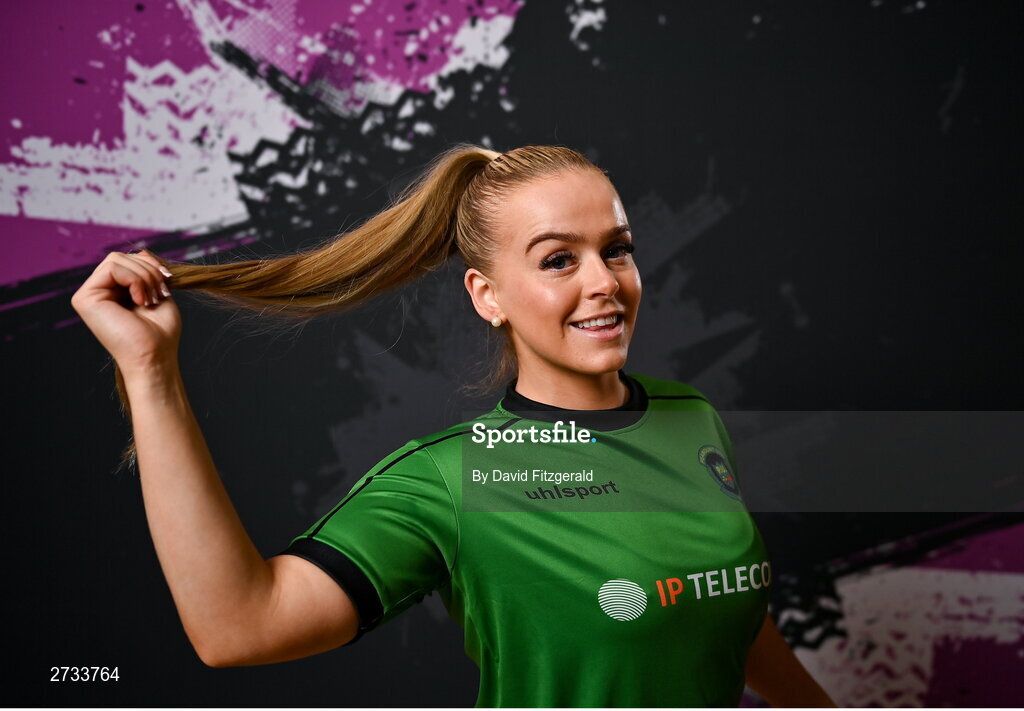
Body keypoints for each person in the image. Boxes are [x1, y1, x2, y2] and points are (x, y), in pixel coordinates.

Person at [71, 144, 836, 707]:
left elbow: (720, 610)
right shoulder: (459, 479)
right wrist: (151, 372)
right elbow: (239, 626)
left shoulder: (688, 416)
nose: (605, 282)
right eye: (558, 260)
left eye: (618, 250)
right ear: (487, 294)